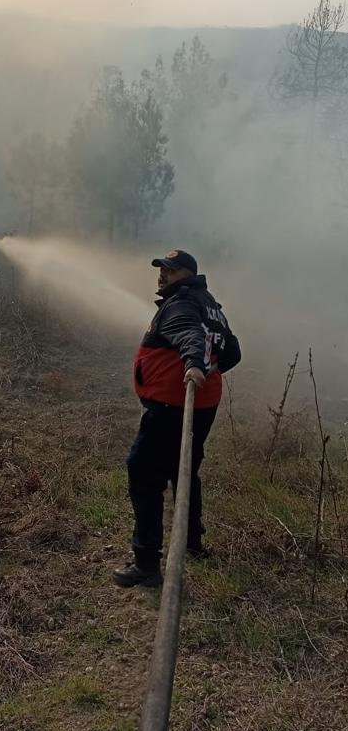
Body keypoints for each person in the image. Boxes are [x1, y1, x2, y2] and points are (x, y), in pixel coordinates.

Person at [113, 249, 241, 588]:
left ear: (187, 273)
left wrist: (195, 365)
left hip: (172, 407)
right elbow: (232, 352)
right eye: (161, 269)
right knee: (183, 469)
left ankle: (146, 563)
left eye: (170, 270)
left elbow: (188, 335)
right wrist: (207, 368)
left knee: (142, 471)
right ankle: (192, 542)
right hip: (202, 404)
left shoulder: (182, 303)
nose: (162, 275)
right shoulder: (211, 305)